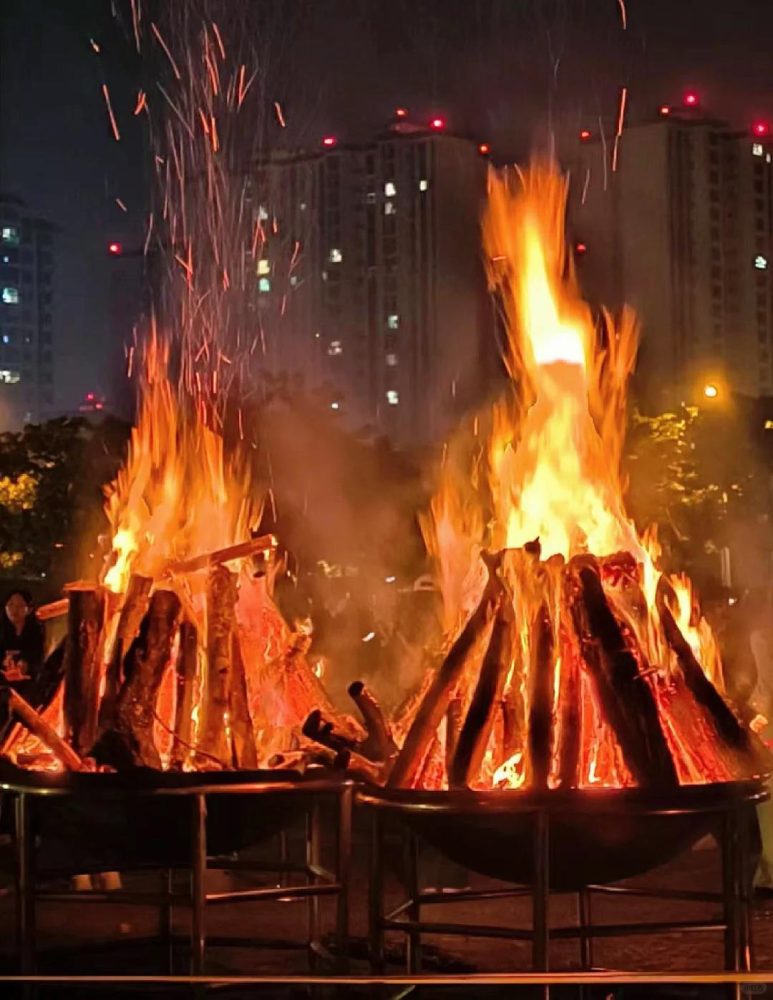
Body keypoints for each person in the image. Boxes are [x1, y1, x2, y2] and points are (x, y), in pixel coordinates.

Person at [0, 589, 44, 713]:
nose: (14, 610)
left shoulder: (36, 630)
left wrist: (22, 666)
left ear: (29, 609)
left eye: (20, 605)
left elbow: (36, 655)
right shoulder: (2, 629)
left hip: (28, 680)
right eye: (10, 605)